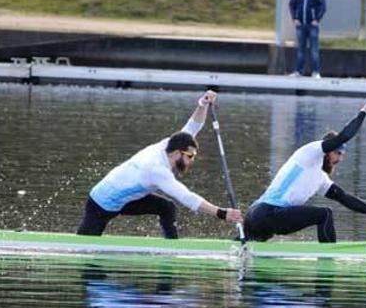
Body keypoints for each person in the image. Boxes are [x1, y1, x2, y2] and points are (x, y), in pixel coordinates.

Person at [77, 90, 242, 238]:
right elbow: (186, 197)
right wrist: (221, 213)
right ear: (177, 153)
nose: (192, 160)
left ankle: (171, 246)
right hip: (101, 203)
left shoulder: (170, 144)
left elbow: (194, 125)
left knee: (167, 207)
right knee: (84, 250)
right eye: (190, 156)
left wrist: (203, 104)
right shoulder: (157, 170)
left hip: (127, 200)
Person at [244, 97, 366, 243]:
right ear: (328, 149)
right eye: (338, 153)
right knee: (325, 214)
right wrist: (365, 109)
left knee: (248, 248)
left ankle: (240, 243)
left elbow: (344, 198)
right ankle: (329, 258)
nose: (340, 158)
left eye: (343, 154)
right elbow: (344, 136)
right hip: (266, 213)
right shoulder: (311, 152)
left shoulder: (320, 179)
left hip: (254, 217)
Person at [288, 0, 326, 79]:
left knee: (314, 49)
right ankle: (298, 72)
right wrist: (294, 18)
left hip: (312, 25)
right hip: (300, 25)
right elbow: (292, 5)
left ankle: (316, 72)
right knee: (300, 50)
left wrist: (317, 19)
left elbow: (322, 6)